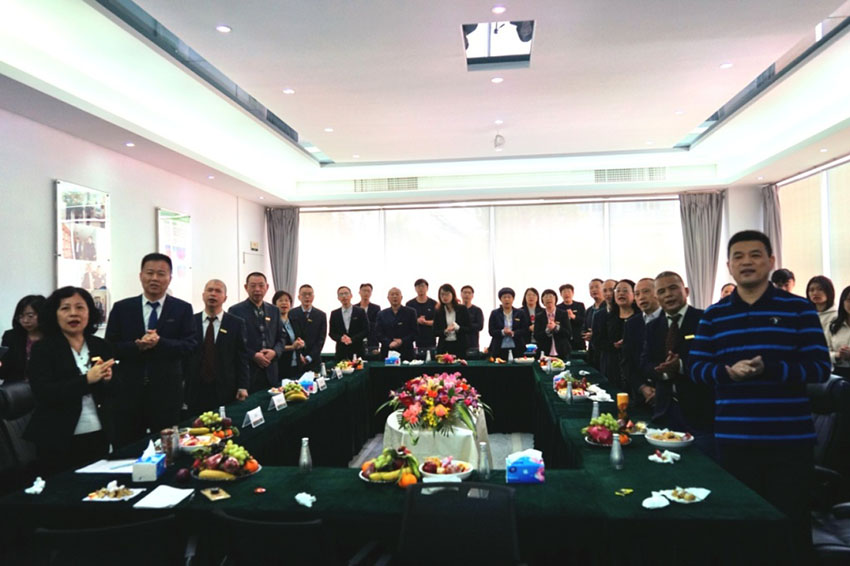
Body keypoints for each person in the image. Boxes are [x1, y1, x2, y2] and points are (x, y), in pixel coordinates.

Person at [689, 230, 830, 558]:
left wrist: (771, 368)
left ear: (770, 261)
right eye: (738, 257)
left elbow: (819, 368)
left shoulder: (799, 309)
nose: (747, 262)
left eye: (755, 255)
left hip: (789, 442)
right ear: (729, 266)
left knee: (791, 530)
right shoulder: (714, 315)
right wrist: (727, 373)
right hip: (734, 440)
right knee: (741, 531)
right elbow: (696, 368)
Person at [106, 253, 196, 446]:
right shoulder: (122, 308)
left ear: (169, 278)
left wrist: (160, 342)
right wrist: (136, 346)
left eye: (161, 274)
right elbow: (110, 347)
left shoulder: (182, 309)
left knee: (166, 448)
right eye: (150, 273)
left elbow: (190, 345)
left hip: (167, 393)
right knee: (127, 446)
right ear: (141, 276)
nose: (154, 278)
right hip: (128, 391)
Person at [25, 287, 116, 476]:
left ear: (89, 313)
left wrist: (108, 380)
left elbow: (117, 391)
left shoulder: (100, 345)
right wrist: (86, 380)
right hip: (57, 437)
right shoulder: (43, 349)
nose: (73, 313)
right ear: (54, 314)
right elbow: (44, 392)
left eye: (80, 307)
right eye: (65, 308)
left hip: (99, 432)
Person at [640, 272, 713, 455]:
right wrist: (662, 371)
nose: (668, 295)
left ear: (686, 291)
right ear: (657, 297)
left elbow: (712, 360)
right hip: (664, 410)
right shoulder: (653, 327)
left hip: (699, 410)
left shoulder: (704, 319)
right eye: (662, 291)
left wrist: (680, 366)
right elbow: (645, 363)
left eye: (673, 288)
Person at [185, 280, 250, 414]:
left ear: (225, 298)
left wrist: (243, 386)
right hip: (195, 388)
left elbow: (241, 357)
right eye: (209, 290)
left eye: (218, 291)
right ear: (203, 295)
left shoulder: (236, 323)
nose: (213, 294)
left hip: (225, 388)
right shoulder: (191, 321)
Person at [228, 272, 285, 392]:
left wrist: (275, 352)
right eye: (253, 286)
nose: (257, 289)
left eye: (261, 285)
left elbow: (282, 337)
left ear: (267, 287)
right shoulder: (235, 311)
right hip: (248, 372)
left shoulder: (274, 310)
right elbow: (232, 342)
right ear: (246, 287)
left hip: (271, 370)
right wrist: (253, 355)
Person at [597, 279, 640, 390]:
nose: (621, 293)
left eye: (625, 291)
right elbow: (598, 341)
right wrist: (613, 345)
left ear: (634, 295)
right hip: (612, 366)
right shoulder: (608, 318)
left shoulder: (641, 317)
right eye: (618, 291)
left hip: (636, 368)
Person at [621, 278, 659, 400]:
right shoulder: (631, 324)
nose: (641, 297)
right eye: (637, 294)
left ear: (657, 293)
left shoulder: (670, 319)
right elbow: (627, 361)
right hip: (640, 394)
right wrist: (642, 387)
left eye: (646, 291)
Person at [0, 294, 45, 382]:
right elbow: (3, 372)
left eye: (30, 316)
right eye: (20, 317)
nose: (25, 320)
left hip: (46, 387)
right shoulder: (11, 337)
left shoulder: (54, 338)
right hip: (15, 388)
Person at [289, 284, 327, 372]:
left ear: (313, 297)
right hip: (295, 359)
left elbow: (321, 339)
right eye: (304, 294)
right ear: (299, 297)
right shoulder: (291, 313)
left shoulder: (321, 315)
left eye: (309, 294)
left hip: (314, 360)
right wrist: (299, 355)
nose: (307, 297)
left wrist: (309, 357)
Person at [375, 288, 418, 360]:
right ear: (388, 298)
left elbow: (415, 332)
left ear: (401, 297)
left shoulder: (411, 312)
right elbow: (378, 333)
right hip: (387, 350)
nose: (395, 296)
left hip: (406, 351)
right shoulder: (381, 314)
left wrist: (401, 341)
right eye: (392, 294)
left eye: (397, 294)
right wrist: (389, 342)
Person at [487, 287, 529, 360]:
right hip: (499, 348)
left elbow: (525, 330)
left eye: (509, 297)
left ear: (513, 299)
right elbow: (491, 331)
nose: (507, 299)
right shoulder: (495, 313)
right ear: (500, 299)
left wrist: (513, 333)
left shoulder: (520, 313)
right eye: (504, 297)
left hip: (517, 347)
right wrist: (503, 332)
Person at [329, 286, 369, 361]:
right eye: (341, 294)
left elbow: (366, 330)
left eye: (346, 293)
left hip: (357, 350)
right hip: (341, 352)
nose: (344, 296)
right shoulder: (334, 314)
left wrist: (352, 339)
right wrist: (341, 338)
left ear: (351, 295)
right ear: (338, 298)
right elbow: (332, 333)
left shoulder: (360, 312)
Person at [433, 284, 471, 357]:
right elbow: (434, 332)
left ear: (453, 294)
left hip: (459, 345)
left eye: (447, 294)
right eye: (442, 295)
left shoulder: (462, 309)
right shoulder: (438, 311)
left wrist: (458, 328)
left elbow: (469, 328)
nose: (444, 297)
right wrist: (445, 331)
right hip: (444, 346)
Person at [272, 290, 303, 379]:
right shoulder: (272, 323)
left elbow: (299, 338)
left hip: (296, 364)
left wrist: (301, 343)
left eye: (287, 300)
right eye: (280, 300)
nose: (284, 303)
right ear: (274, 304)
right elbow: (273, 345)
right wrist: (292, 347)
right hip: (280, 365)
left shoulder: (294, 321)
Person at [590, 279, 618, 376]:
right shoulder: (598, 315)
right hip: (607, 361)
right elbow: (595, 341)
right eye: (605, 290)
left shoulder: (627, 311)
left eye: (611, 290)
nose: (608, 294)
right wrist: (612, 345)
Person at [534, 289, 571, 359]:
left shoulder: (563, 314)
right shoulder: (539, 316)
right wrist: (547, 331)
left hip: (562, 351)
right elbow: (536, 336)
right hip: (545, 351)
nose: (548, 299)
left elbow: (568, 333)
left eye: (551, 296)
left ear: (555, 299)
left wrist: (556, 327)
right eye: (546, 297)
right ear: (542, 301)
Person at [405, 279, 437, 352]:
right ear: (415, 289)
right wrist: (417, 321)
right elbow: (406, 322)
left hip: (430, 338)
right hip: (414, 339)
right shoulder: (410, 304)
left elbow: (437, 322)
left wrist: (426, 322)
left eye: (422, 286)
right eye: (418, 286)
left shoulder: (434, 303)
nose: (420, 288)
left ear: (427, 288)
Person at [826, 285, 850, 378]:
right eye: (849, 300)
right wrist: (837, 355)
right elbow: (824, 351)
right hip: (838, 373)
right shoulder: (834, 325)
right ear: (843, 302)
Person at [556, 284, 586, 351]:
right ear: (561, 294)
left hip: (578, 339)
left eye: (568, 292)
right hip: (564, 340)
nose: (567, 294)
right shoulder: (558, 308)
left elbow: (584, 321)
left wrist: (573, 316)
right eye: (564, 292)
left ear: (573, 293)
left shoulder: (580, 305)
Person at [583, 279, 605, 365]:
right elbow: (584, 327)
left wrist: (595, 334)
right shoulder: (589, 310)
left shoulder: (608, 308)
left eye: (596, 287)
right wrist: (586, 334)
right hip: (592, 349)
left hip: (605, 351)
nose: (594, 290)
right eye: (591, 288)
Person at [357, 283, 381, 356]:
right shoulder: (354, 308)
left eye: (368, 291)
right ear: (359, 292)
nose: (366, 293)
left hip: (372, 341)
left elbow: (377, 325)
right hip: (357, 341)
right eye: (364, 291)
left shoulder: (376, 308)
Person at [460, 285, 484, 352]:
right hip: (459, 343)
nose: (467, 295)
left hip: (473, 344)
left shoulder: (477, 310)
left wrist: (465, 326)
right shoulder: (457, 309)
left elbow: (480, 326)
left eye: (469, 293)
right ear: (461, 294)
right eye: (465, 292)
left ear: (472, 295)